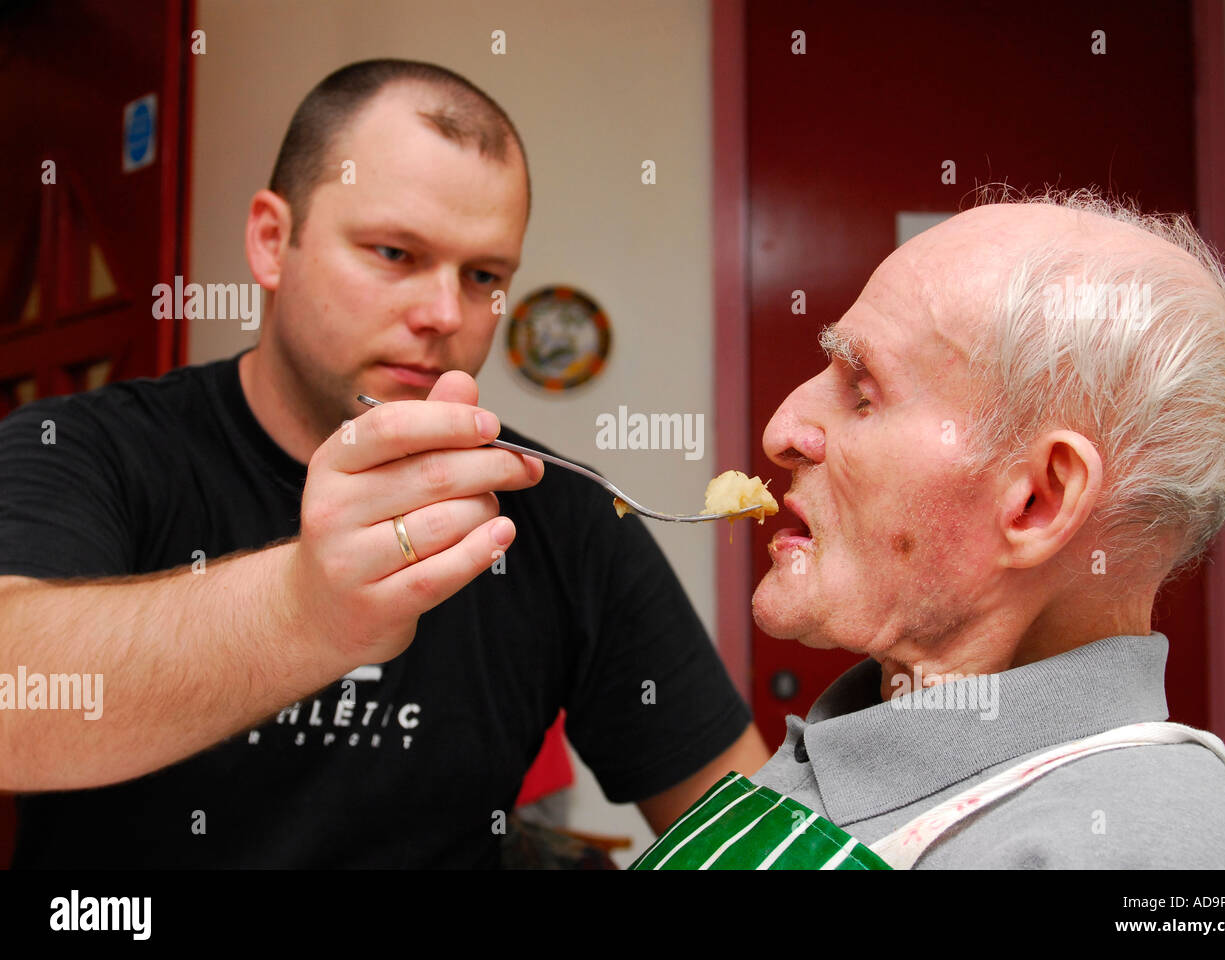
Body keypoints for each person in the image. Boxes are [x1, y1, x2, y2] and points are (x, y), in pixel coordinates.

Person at [0, 59, 767, 868]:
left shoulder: (557, 508)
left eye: (483, 276)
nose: (444, 315)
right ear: (271, 240)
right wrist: (305, 611)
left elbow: (744, 820)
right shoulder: (86, 447)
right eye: (395, 252)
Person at [632, 191, 1225, 870]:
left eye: (863, 393)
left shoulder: (1157, 861)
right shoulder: (845, 752)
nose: (780, 433)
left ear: (1037, 501)